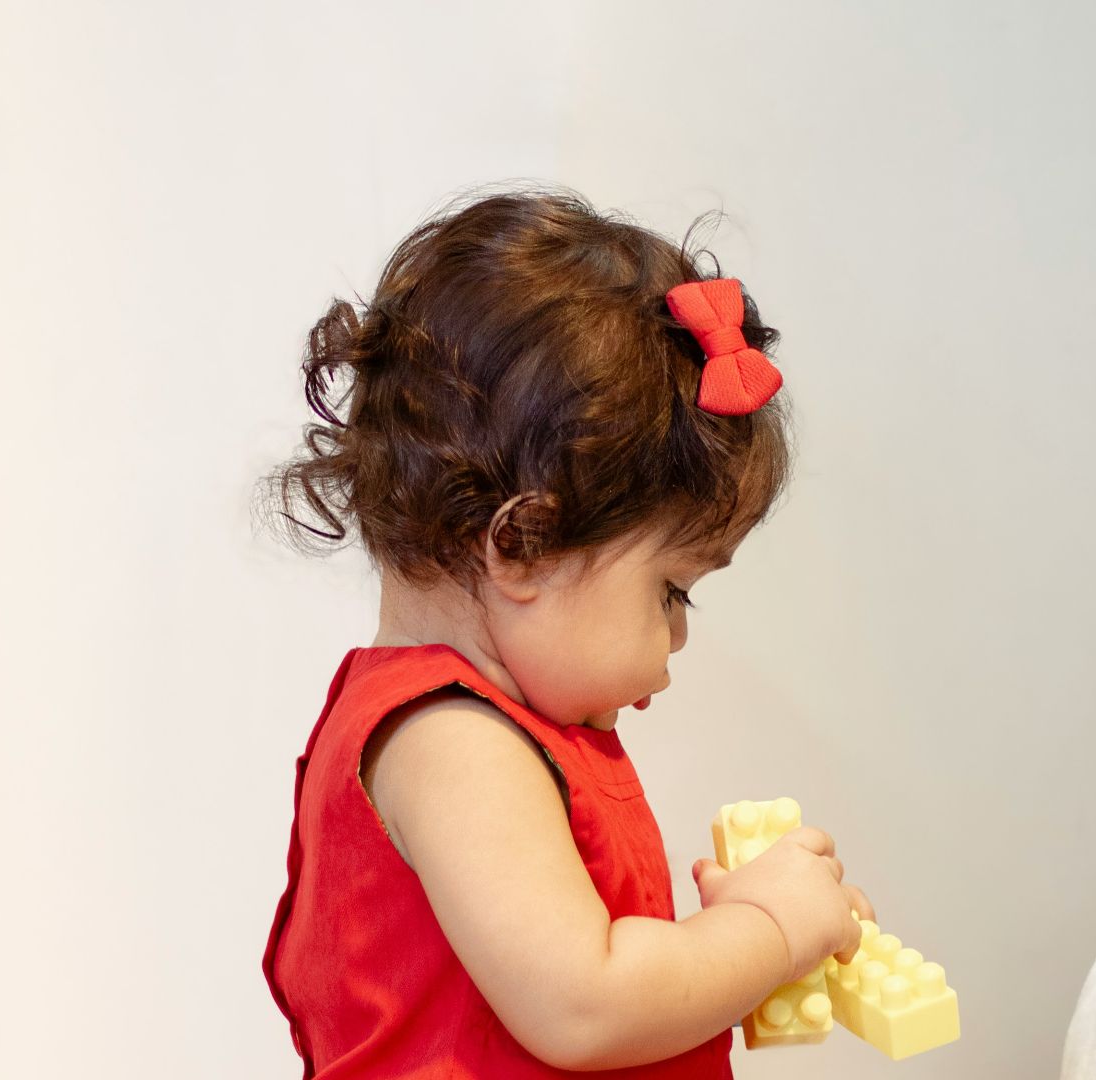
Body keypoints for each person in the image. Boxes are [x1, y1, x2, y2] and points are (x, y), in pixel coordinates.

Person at [258, 188, 873, 1078]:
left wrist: (729, 952)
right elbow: (585, 1004)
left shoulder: (505, 730)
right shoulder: (450, 742)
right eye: (673, 592)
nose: (679, 635)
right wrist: (766, 929)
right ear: (523, 545)